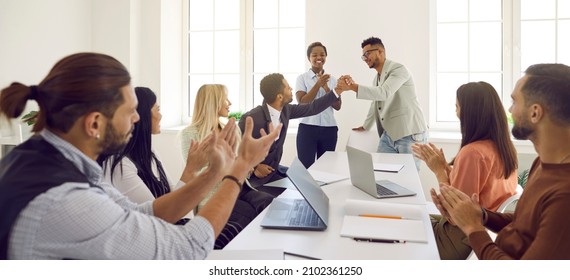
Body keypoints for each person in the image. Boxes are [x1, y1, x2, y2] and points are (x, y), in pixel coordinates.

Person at [0, 52, 281, 259]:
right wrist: (240, 167)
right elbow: (187, 250)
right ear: (95, 124)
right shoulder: (65, 198)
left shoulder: (48, 161)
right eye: (130, 111)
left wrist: (214, 172)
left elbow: (140, 212)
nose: (137, 119)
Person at [432, 63, 570, 259]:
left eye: (514, 102)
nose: (510, 109)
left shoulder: (564, 195)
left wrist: (473, 229)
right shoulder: (541, 163)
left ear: (535, 112)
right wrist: (480, 214)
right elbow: (522, 222)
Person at [100, 86, 254, 249]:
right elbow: (158, 217)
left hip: (170, 225)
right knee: (227, 234)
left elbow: (173, 194)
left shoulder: (151, 153)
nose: (160, 115)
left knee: (237, 229)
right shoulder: (121, 165)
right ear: (144, 115)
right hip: (158, 235)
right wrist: (192, 170)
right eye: (157, 109)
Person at [412, 81, 518, 259]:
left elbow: (456, 217)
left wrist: (439, 171)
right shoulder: (504, 149)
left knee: (399, 227)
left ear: (470, 112)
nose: (455, 112)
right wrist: (447, 167)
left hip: (458, 239)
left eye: (457, 106)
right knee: (413, 217)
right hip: (480, 235)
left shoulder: (472, 153)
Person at [239, 73, 342, 196]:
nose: (291, 89)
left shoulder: (286, 110)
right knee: (297, 195)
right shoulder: (251, 118)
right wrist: (255, 167)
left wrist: (337, 91)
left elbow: (312, 108)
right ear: (280, 97)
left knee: (310, 184)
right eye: (288, 87)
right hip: (255, 181)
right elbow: (234, 150)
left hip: (275, 171)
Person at [337, 36, 428, 170]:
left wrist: (353, 87)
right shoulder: (377, 78)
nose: (365, 58)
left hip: (410, 133)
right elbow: (375, 103)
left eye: (367, 53)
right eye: (363, 56)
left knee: (409, 177)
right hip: (389, 134)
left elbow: (383, 93)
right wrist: (366, 125)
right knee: (381, 172)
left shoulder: (399, 69)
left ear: (380, 51)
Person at [295, 42, 342, 168]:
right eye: (314, 55)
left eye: (322, 54)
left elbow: (337, 106)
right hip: (307, 128)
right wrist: (318, 84)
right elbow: (302, 102)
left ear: (326, 57)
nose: (319, 58)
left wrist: (327, 88)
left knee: (326, 168)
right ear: (309, 58)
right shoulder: (302, 78)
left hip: (329, 129)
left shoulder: (333, 80)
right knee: (305, 168)